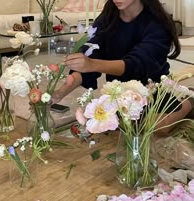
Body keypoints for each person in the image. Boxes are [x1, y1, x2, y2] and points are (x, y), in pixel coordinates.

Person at [53, 0, 194, 135]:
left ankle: (190, 101)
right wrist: (59, 93)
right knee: (115, 125)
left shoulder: (157, 23)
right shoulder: (107, 18)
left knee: (157, 127)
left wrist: (92, 64)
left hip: (152, 90)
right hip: (119, 93)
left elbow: (137, 64)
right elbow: (88, 59)